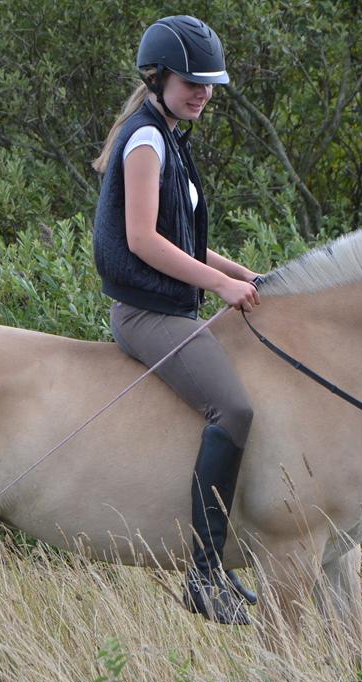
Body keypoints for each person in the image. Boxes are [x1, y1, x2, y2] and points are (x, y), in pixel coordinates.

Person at [92, 15, 260, 625]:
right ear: (158, 76)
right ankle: (205, 572)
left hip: (171, 304)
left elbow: (180, 238)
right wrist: (218, 285)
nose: (204, 93)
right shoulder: (146, 141)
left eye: (210, 83)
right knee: (234, 409)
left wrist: (241, 273)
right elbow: (142, 241)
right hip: (147, 313)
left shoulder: (168, 135)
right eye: (192, 80)